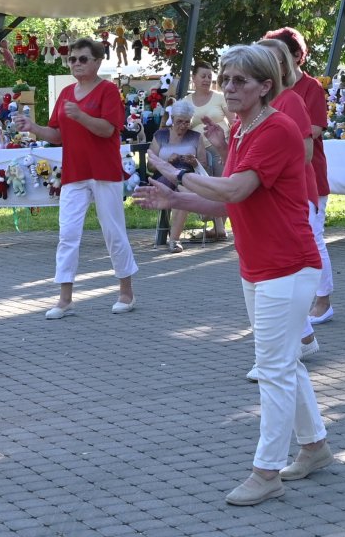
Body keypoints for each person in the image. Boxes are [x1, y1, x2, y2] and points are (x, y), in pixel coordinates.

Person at [134, 44, 331, 505]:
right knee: (284, 363)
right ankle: (315, 447)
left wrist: (174, 175)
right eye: (225, 79)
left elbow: (236, 187)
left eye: (239, 80)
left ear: (266, 86)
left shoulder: (277, 128)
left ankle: (266, 473)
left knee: (274, 369)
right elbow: (231, 202)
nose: (228, 88)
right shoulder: (243, 128)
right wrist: (175, 200)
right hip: (260, 264)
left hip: (287, 266)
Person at [22, 37, 137, 317]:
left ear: (97, 61)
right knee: (68, 234)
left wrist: (81, 115)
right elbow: (58, 135)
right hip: (74, 173)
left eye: (83, 59)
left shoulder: (108, 91)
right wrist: (33, 127)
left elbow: (108, 130)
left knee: (113, 231)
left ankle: (126, 292)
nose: (76, 64)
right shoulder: (65, 94)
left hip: (103, 171)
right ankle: (65, 298)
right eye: (72, 59)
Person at [263, 27, 337, 326]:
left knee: (313, 238)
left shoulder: (310, 88)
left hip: (310, 175)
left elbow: (315, 129)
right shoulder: (271, 88)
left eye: (276, 54)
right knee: (293, 239)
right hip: (282, 176)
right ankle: (299, 301)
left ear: (295, 56)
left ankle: (324, 300)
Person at [256, 38, 323, 358]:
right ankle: (302, 341)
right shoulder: (257, 104)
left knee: (285, 273)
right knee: (275, 273)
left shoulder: (290, 100)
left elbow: (306, 152)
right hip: (265, 196)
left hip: (292, 195)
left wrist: (269, 164)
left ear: (282, 65)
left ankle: (283, 349)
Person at [148, 102, 208, 252]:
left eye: (187, 121)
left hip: (188, 177)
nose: (183, 125)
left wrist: (194, 162)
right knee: (182, 189)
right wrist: (167, 162)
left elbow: (204, 165)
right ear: (172, 118)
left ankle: (174, 241)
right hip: (163, 178)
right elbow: (150, 166)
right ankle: (201, 208)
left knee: (182, 191)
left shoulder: (196, 137)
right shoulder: (160, 135)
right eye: (179, 121)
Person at [180, 63, 229, 243]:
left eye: (210, 76)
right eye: (203, 76)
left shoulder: (220, 98)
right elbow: (179, 125)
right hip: (197, 151)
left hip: (220, 146)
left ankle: (219, 228)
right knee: (207, 188)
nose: (207, 79)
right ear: (193, 78)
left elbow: (235, 120)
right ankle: (217, 228)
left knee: (221, 185)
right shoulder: (185, 101)